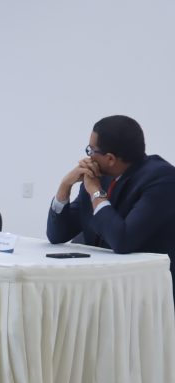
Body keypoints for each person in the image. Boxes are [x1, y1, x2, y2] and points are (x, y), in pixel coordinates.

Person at [47, 115, 175, 287]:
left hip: (144, 287)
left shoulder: (162, 179)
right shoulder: (99, 176)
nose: (88, 157)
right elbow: (57, 235)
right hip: (99, 282)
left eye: (92, 150)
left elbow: (123, 240)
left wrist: (96, 192)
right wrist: (65, 186)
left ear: (110, 159)